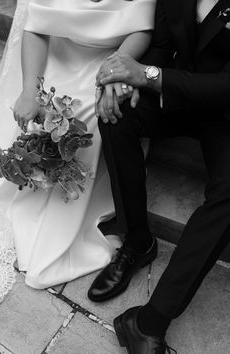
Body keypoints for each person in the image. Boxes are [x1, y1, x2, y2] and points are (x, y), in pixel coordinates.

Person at [89, 0, 230, 352]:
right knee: (116, 114)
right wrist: (129, 80)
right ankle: (137, 242)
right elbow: (165, 44)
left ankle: (148, 322)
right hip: (179, 94)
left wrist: (151, 76)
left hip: (226, 113)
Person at [0, 0, 157, 290]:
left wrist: (114, 71)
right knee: (44, 107)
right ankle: (35, 177)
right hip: (56, 52)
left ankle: (64, 215)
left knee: (91, 113)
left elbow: (142, 28)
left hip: (109, 57)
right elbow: (35, 28)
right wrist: (30, 90)